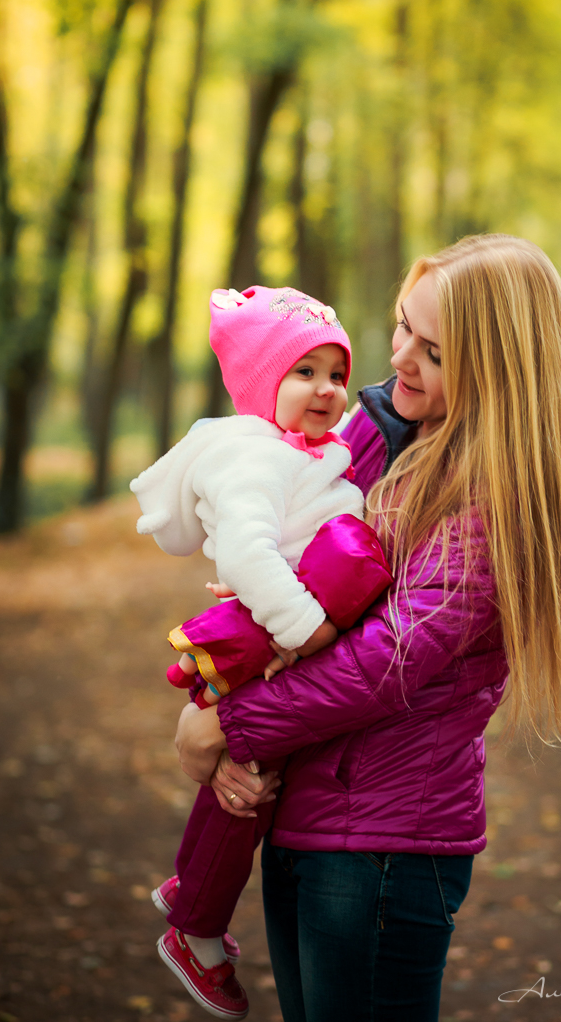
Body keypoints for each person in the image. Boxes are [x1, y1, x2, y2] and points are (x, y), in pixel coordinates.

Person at [174, 235, 561, 1022]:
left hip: (379, 848)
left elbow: (381, 665)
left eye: (435, 353)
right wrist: (230, 728)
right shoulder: (382, 428)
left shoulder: (494, 497)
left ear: (499, 371)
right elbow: (280, 556)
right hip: (303, 812)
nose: (400, 360)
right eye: (402, 327)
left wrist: (227, 724)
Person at [130, 285, 391, 1019]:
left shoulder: (303, 451)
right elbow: (247, 553)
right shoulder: (255, 459)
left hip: (273, 631)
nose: (328, 389)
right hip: (272, 637)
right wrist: (307, 630)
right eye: (303, 372)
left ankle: (191, 884)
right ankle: (197, 928)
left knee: (248, 780)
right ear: (258, 383)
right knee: (249, 785)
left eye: (335, 373)